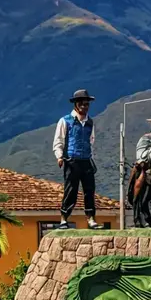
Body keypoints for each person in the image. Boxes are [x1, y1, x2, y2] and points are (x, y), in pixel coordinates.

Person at [52, 89, 102, 230]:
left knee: (89, 190)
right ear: (75, 105)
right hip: (71, 160)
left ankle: (91, 218)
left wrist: (90, 156)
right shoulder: (65, 121)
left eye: (87, 104)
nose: (84, 107)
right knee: (71, 190)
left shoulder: (90, 123)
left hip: (86, 160)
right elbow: (58, 141)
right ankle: (63, 219)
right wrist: (59, 156)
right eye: (82, 104)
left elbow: (91, 141)